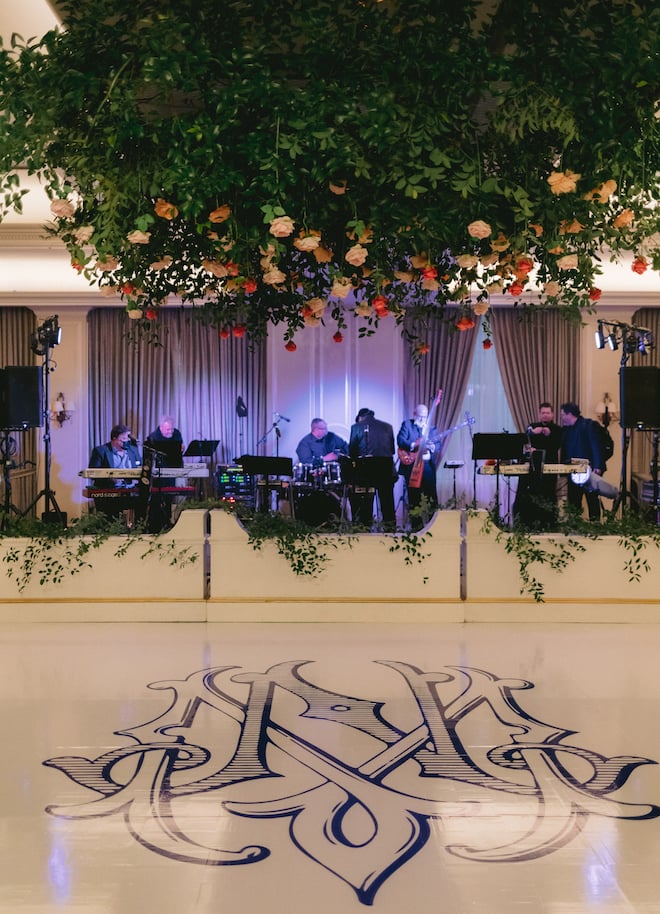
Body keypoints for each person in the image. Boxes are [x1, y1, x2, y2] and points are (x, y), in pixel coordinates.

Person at [513, 402, 562, 530]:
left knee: (549, 494)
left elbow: (557, 445)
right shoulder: (532, 427)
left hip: (549, 468)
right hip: (533, 469)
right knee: (531, 495)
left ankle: (549, 524)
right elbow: (525, 441)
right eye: (543, 413)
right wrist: (533, 433)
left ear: (552, 414)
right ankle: (528, 523)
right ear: (539, 414)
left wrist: (549, 435)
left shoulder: (557, 429)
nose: (545, 415)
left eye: (547, 413)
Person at [347, 407, 396, 530]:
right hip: (386, 468)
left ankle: (365, 528)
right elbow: (392, 450)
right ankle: (391, 529)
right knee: (387, 503)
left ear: (360, 418)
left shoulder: (356, 427)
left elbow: (352, 451)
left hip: (366, 469)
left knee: (365, 500)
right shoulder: (388, 427)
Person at [560, 401, 605, 521]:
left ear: (570, 414)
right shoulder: (567, 430)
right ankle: (575, 526)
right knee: (574, 500)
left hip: (588, 470)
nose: (562, 417)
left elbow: (596, 446)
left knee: (592, 499)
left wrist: (598, 466)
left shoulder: (588, 425)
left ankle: (595, 526)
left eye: (563, 414)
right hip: (573, 471)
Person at [87, 424, 142, 519]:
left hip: (130, 492)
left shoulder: (133, 450)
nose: (127, 441)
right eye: (124, 438)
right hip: (108, 493)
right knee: (110, 518)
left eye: (128, 438)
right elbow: (93, 473)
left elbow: (140, 467)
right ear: (114, 438)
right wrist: (111, 479)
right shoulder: (101, 451)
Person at [397, 404, 438, 526]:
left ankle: (433, 526)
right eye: (420, 416)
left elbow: (438, 445)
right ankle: (416, 527)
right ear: (414, 414)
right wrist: (414, 444)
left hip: (427, 467)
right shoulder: (407, 425)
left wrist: (433, 447)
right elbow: (400, 440)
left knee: (431, 497)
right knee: (414, 498)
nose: (422, 420)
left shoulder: (432, 428)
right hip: (412, 467)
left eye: (424, 417)